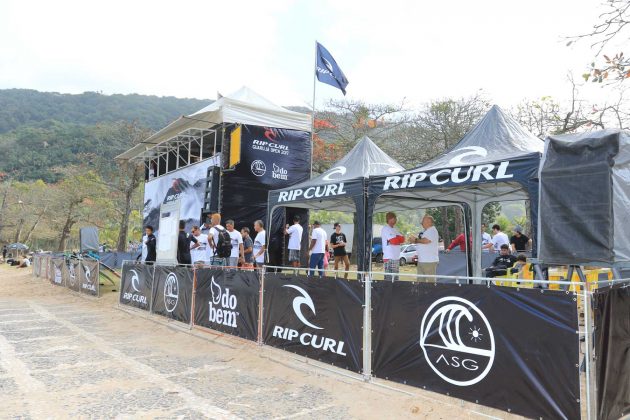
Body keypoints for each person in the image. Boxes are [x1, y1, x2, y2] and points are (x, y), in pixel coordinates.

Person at [410, 215, 440, 282]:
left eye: (423, 221)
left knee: (431, 282)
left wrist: (415, 240)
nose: (421, 223)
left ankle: (432, 292)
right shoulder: (427, 231)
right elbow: (423, 241)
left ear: (429, 222)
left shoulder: (432, 230)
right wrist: (415, 240)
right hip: (422, 260)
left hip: (429, 261)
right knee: (420, 281)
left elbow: (426, 241)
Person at [382, 212, 405, 281]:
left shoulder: (395, 229)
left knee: (395, 280)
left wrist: (396, 239)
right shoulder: (386, 228)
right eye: (393, 219)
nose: (395, 220)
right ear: (389, 219)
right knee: (389, 280)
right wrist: (397, 239)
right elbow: (393, 241)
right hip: (389, 258)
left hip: (396, 258)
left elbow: (403, 239)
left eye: (395, 219)